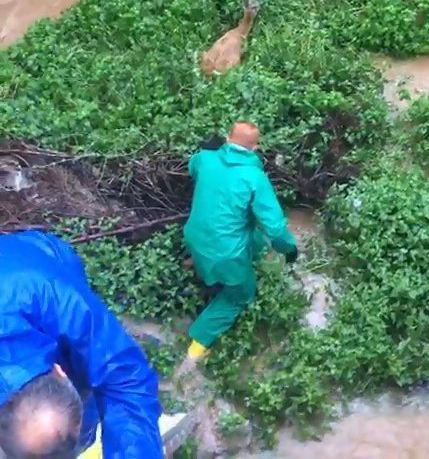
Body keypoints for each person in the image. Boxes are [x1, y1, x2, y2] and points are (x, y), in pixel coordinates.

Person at [0, 229, 192, 459]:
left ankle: (83, 437)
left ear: (61, 372)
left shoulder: (65, 304)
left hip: (38, 262)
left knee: (83, 399)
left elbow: (123, 376)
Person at [184, 121, 298, 362]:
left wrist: (206, 150)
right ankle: (198, 343)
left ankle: (196, 264)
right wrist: (288, 249)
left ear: (227, 138)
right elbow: (275, 228)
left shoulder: (205, 159)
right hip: (226, 254)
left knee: (252, 237)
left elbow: (192, 166)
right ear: (256, 148)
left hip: (195, 238)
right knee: (240, 294)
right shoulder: (254, 177)